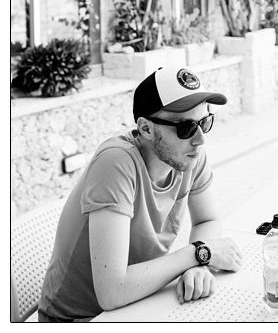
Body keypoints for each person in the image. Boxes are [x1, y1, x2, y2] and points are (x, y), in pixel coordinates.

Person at [36, 66, 243, 322]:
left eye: (205, 122)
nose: (200, 139)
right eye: (186, 128)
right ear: (146, 129)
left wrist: (199, 265)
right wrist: (197, 253)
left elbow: (207, 220)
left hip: (138, 305)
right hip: (80, 320)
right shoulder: (116, 163)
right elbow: (111, 292)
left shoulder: (189, 155)